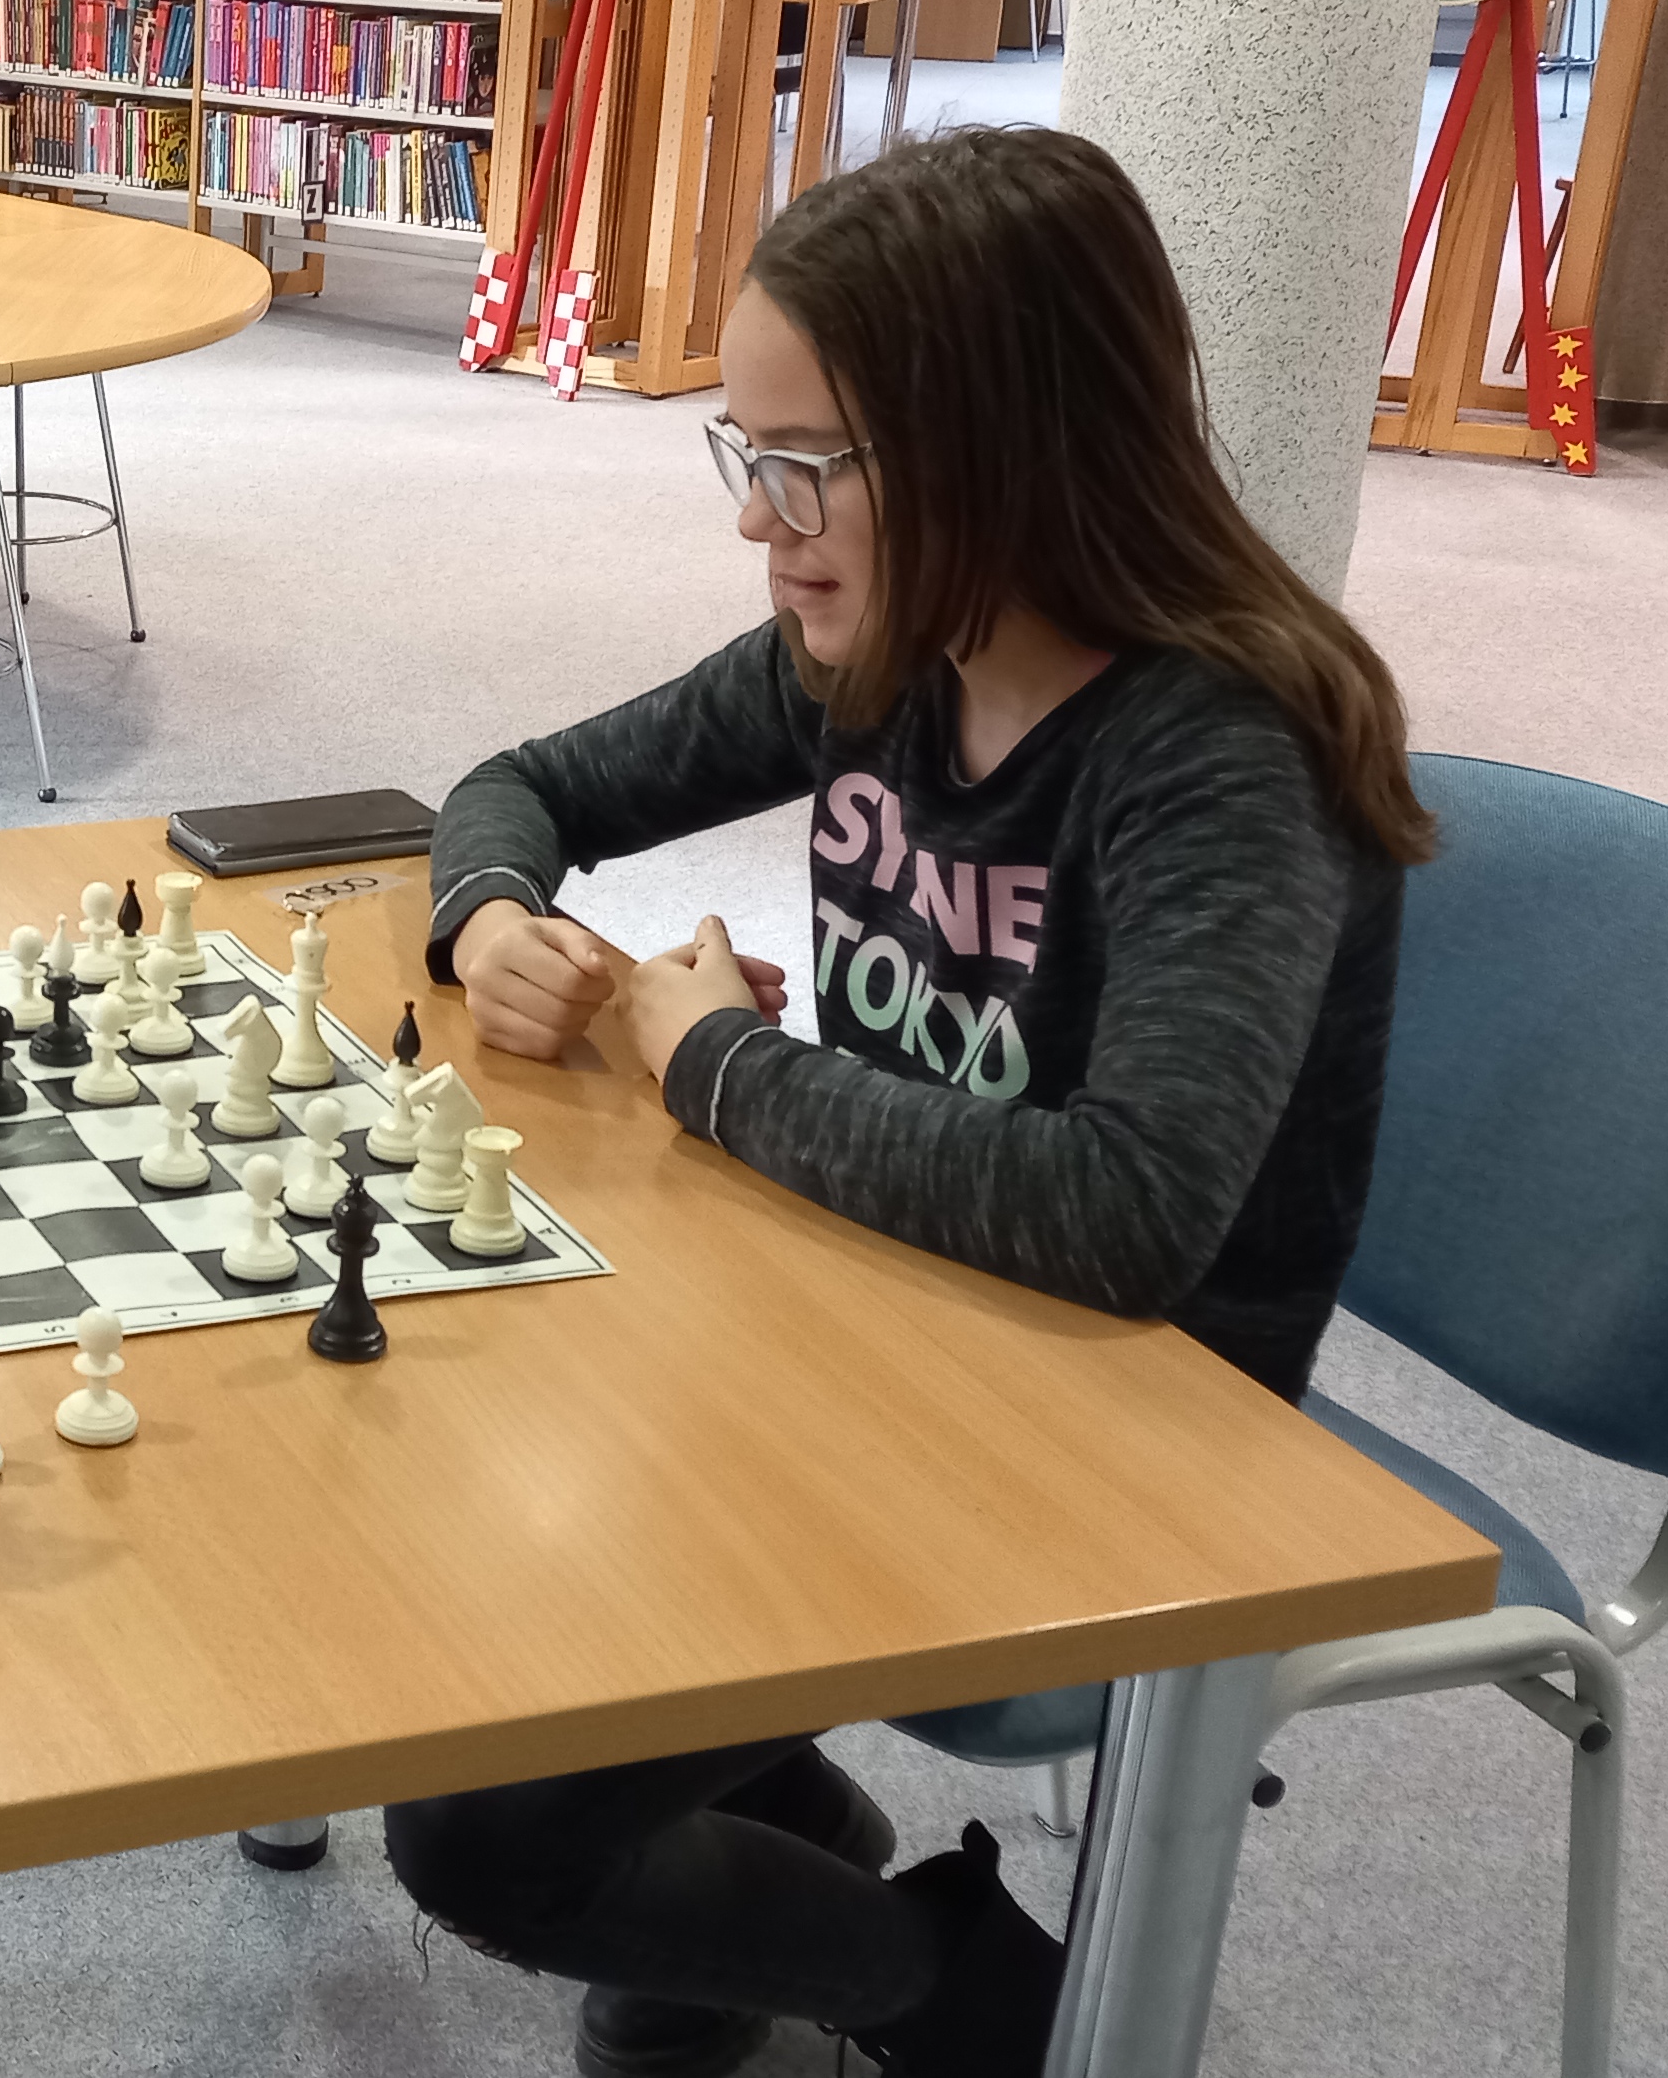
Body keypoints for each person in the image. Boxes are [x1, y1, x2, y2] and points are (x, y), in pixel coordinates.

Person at [395, 127, 1438, 2078]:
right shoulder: (875, 648)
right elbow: (521, 785)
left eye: (808, 464)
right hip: (873, 1312)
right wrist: (493, 920)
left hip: (1128, 1421)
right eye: (748, 453)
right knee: (448, 1494)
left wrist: (711, 1063)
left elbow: (1127, 1219)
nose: (756, 518)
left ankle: (945, 1988)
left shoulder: (1219, 750)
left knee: (484, 1825)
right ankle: (768, 1866)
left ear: (1001, 452)